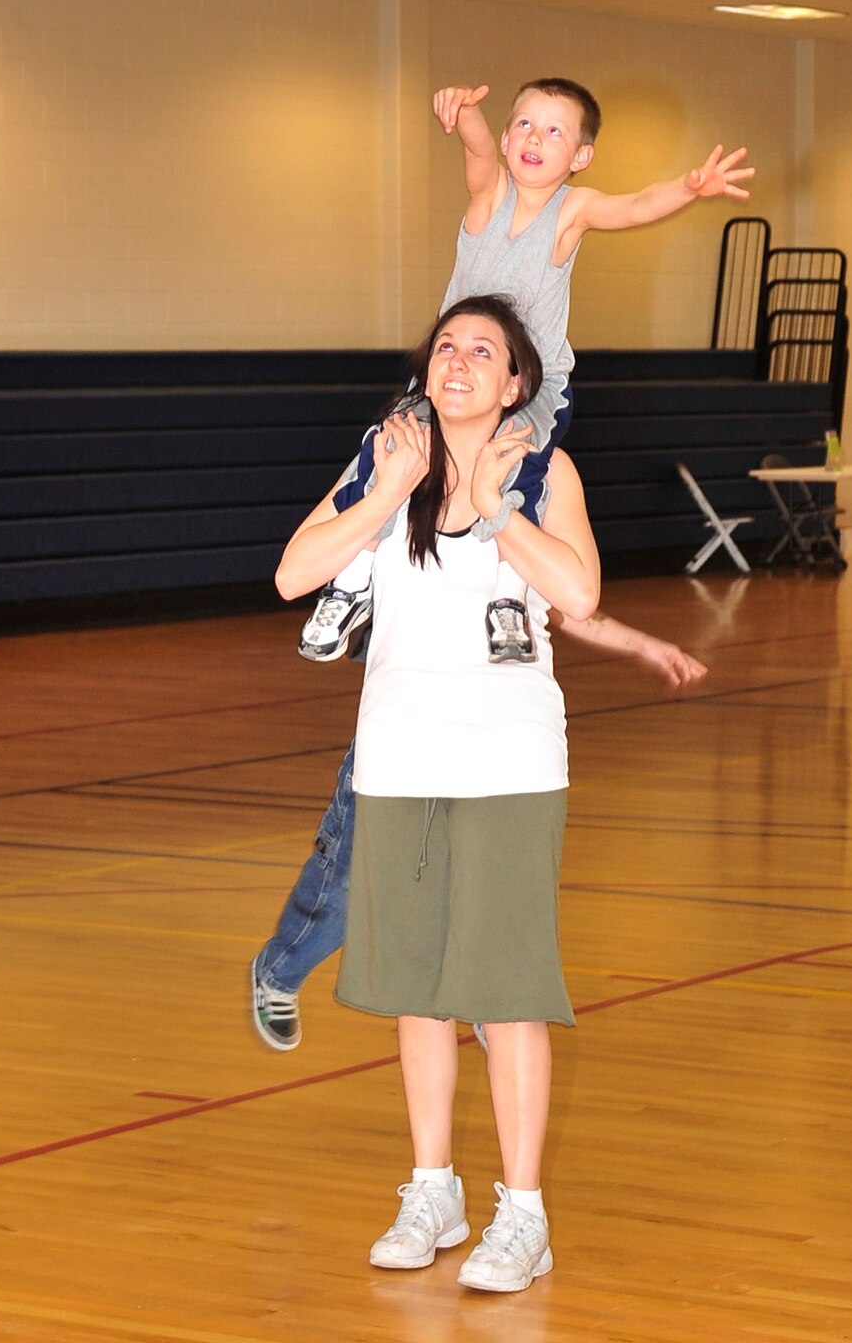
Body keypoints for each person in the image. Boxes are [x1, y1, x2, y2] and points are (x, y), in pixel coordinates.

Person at [274, 293, 599, 1293]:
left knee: (501, 991)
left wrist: (497, 509)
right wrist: (387, 492)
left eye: (482, 351)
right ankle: (432, 1188)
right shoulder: (383, 459)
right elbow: (295, 573)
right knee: (414, 987)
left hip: (505, 767)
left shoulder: (540, 470)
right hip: (398, 761)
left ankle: (524, 1211)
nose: (457, 359)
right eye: (444, 345)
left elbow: (579, 595)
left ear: (514, 386)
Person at [299, 76, 753, 666]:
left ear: (580, 156)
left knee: (512, 468)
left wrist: (690, 188)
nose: (534, 138)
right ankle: (354, 577)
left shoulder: (572, 210)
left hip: (529, 387)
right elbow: (479, 151)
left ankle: (508, 593)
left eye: (554, 130)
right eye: (524, 125)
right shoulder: (489, 198)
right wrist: (465, 114)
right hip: (456, 378)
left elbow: (636, 205)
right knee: (392, 446)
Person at [250, 610, 707, 1054]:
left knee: (482, 881)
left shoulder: (512, 535)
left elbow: (567, 604)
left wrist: (645, 645)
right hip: (401, 739)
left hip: (491, 743)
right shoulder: (402, 535)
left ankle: (485, 1001)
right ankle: (280, 970)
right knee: (352, 886)